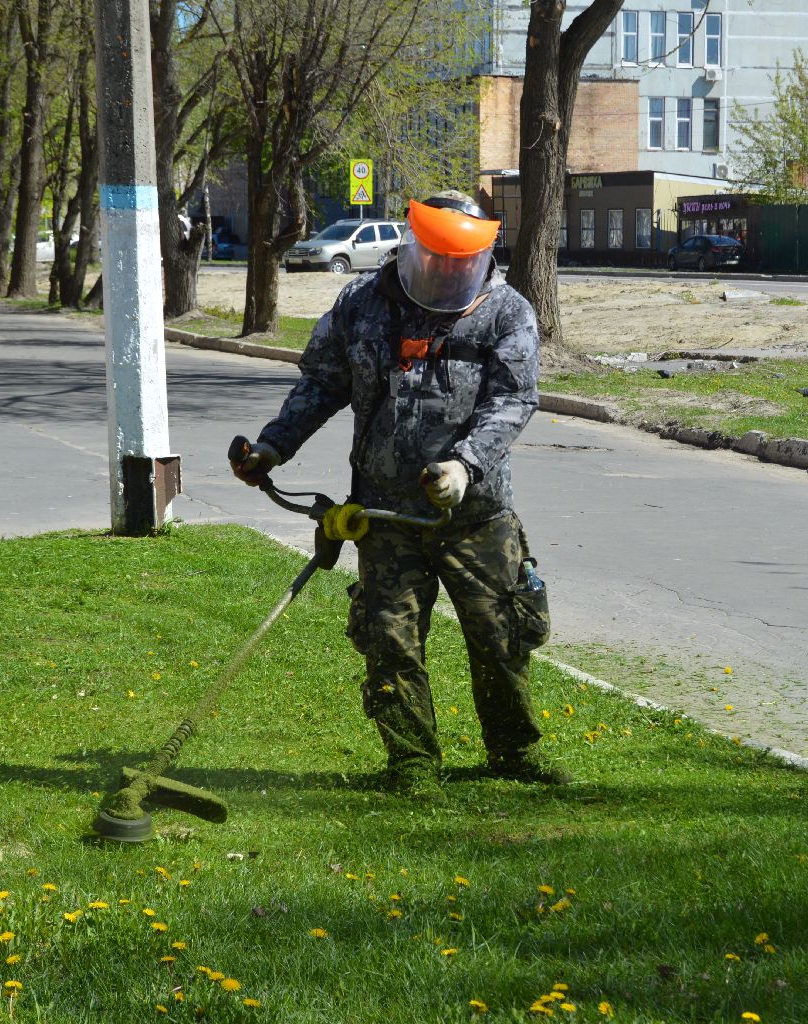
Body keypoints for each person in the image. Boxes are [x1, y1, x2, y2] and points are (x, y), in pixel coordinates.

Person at [232, 191, 568, 795]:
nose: (447, 273)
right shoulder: (360, 304)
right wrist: (273, 447)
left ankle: (514, 753)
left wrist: (464, 465)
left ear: (480, 258)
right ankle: (412, 763)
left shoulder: (506, 311)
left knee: (500, 634)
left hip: (476, 515)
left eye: (460, 264)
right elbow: (321, 385)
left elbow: (513, 399)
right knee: (391, 640)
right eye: (436, 260)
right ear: (411, 246)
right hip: (384, 513)